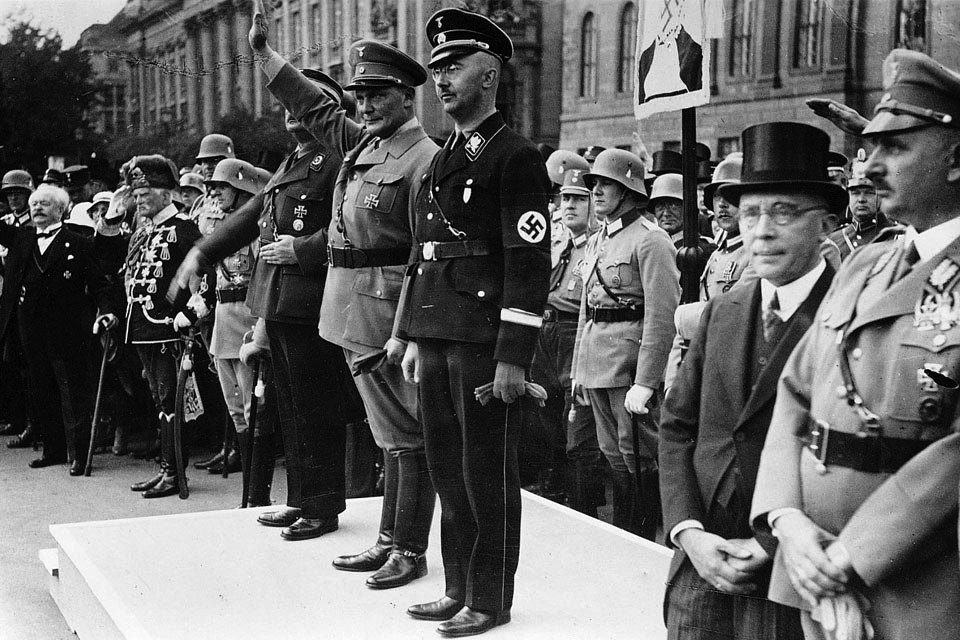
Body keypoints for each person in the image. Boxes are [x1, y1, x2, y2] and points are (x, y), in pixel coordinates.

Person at [750, 49, 960, 640]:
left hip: (921, 592)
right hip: (812, 572)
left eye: (895, 148)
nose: (868, 168)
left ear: (956, 159)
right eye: (868, 148)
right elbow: (797, 394)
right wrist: (787, 523)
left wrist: (850, 563)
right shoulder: (864, 264)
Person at [247, 21, 440, 586]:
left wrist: (408, 328)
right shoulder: (367, 144)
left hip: (386, 314)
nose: (368, 105)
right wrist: (266, 57)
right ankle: (388, 540)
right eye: (362, 95)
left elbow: (422, 257)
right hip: (353, 311)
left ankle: (408, 547)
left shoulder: (422, 158)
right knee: (389, 436)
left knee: (408, 436)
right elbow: (315, 109)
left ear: (409, 97)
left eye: (380, 95)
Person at [396, 8, 551, 636]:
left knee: (487, 474)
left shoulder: (515, 157)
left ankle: (489, 598)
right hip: (439, 329)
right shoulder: (443, 157)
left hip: (485, 338)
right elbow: (422, 250)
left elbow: (527, 260)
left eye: (453, 66)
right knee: (446, 467)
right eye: (436, 69)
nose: (440, 79)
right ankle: (457, 585)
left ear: (489, 76)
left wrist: (514, 356)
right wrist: (412, 333)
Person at [660, 121, 841, 640]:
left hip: (788, 570)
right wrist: (687, 531)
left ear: (826, 221)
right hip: (701, 559)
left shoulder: (847, 314)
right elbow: (676, 427)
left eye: (784, 212)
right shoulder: (724, 310)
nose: (761, 229)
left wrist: (769, 542)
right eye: (751, 212)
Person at [175, 63, 358, 539]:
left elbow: (351, 227)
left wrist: (305, 249)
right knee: (290, 405)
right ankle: (300, 497)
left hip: (312, 301)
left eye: (303, 102)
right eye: (288, 105)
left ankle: (322, 504)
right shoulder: (292, 162)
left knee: (316, 407)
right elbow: (251, 216)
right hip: (277, 303)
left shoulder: (339, 157)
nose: (291, 112)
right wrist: (201, 252)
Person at [572, 148, 680, 539]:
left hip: (630, 365)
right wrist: (577, 371)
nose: (596, 191)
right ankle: (625, 534)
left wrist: (647, 380)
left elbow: (662, 314)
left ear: (629, 189)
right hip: (598, 363)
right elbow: (588, 309)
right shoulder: (599, 239)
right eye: (595, 184)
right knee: (611, 454)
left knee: (638, 455)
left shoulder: (651, 241)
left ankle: (644, 538)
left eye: (606, 184)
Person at [107, 155, 214, 498]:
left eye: (145, 194)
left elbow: (207, 277)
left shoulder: (184, 229)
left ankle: (174, 471)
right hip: (142, 328)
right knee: (159, 399)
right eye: (136, 195)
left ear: (167, 194)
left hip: (169, 329)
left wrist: (191, 314)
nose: (138, 200)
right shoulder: (143, 231)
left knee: (172, 400)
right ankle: (167, 468)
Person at [0, 184, 119, 474]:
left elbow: (100, 283)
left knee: (73, 391)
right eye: (34, 203)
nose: (37, 207)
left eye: (44, 203)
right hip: (31, 329)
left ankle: (78, 453)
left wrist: (107, 311)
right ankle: (53, 450)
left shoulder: (77, 243)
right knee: (42, 389)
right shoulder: (22, 239)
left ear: (60, 209)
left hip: (68, 329)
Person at [529, 167, 602, 516]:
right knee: (547, 412)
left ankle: (581, 500)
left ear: (593, 204)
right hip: (547, 331)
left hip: (575, 331)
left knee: (575, 417)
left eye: (578, 199)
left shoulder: (598, 244)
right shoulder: (559, 242)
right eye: (565, 198)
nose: (568, 205)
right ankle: (556, 484)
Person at [203, 157, 274, 505]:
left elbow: (263, 278)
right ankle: (248, 491)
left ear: (243, 188)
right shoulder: (221, 227)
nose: (216, 193)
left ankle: (257, 494)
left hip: (247, 318)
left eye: (223, 187)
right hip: (221, 319)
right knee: (235, 410)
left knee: (252, 408)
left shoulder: (258, 230)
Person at [828, 150, 895, 261]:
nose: (861, 200)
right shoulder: (834, 240)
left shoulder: (897, 236)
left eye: (869, 193)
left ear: (880, 195)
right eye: (855, 193)